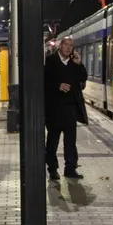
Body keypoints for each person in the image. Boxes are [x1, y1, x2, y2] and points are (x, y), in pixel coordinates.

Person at [44, 36, 88, 181]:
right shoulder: (50, 61)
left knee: (70, 141)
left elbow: (83, 79)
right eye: (66, 44)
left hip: (70, 109)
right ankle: (52, 169)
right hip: (54, 109)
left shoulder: (73, 62)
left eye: (71, 45)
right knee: (52, 141)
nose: (69, 48)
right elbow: (43, 82)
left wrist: (79, 65)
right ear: (60, 45)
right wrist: (58, 86)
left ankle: (70, 168)